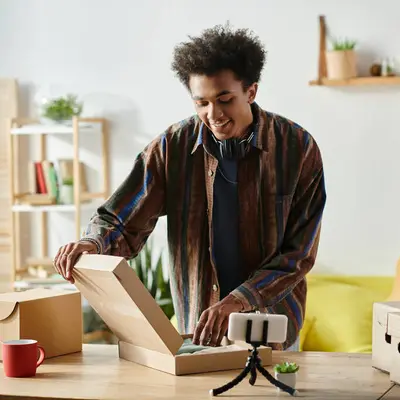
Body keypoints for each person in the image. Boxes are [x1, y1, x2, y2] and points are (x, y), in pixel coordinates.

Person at [52, 23, 326, 351]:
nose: (214, 114)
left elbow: (298, 254)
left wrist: (238, 301)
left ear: (251, 92)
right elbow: (122, 220)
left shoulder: (298, 148)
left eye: (225, 99)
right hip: (197, 327)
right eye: (202, 103)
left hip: (271, 324)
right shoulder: (171, 149)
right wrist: (92, 244)